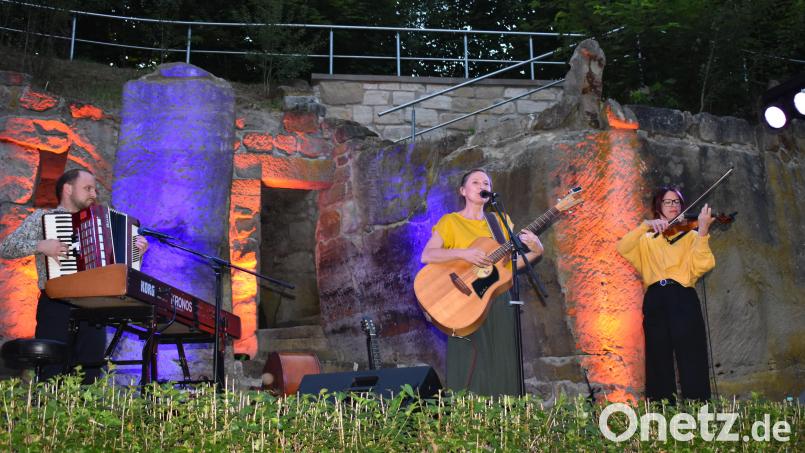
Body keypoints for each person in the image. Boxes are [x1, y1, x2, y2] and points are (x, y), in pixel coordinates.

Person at [0, 168, 148, 382]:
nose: (94, 195)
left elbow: (119, 271)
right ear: (68, 189)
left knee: (91, 372)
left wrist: (137, 253)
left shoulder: (101, 223)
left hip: (94, 308)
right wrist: (41, 245)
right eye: (88, 188)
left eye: (95, 190)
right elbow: (6, 247)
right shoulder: (44, 218)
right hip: (56, 305)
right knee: (52, 372)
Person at [420, 168, 543, 396]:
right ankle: (467, 417)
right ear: (463, 191)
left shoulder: (500, 222)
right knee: (467, 359)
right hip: (462, 300)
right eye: (475, 182)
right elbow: (428, 255)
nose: (482, 186)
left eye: (485, 182)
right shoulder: (451, 222)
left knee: (503, 359)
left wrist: (536, 252)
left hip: (497, 297)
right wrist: (463, 254)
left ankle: (505, 416)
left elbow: (507, 269)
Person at [616, 186, 715, 402]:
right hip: (655, 298)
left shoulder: (690, 234)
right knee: (657, 357)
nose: (674, 206)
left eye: (677, 202)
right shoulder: (646, 238)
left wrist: (703, 231)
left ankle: (699, 410)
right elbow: (623, 247)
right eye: (668, 202)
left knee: (692, 354)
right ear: (658, 206)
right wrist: (644, 226)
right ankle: (663, 413)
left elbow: (702, 265)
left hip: (683, 296)